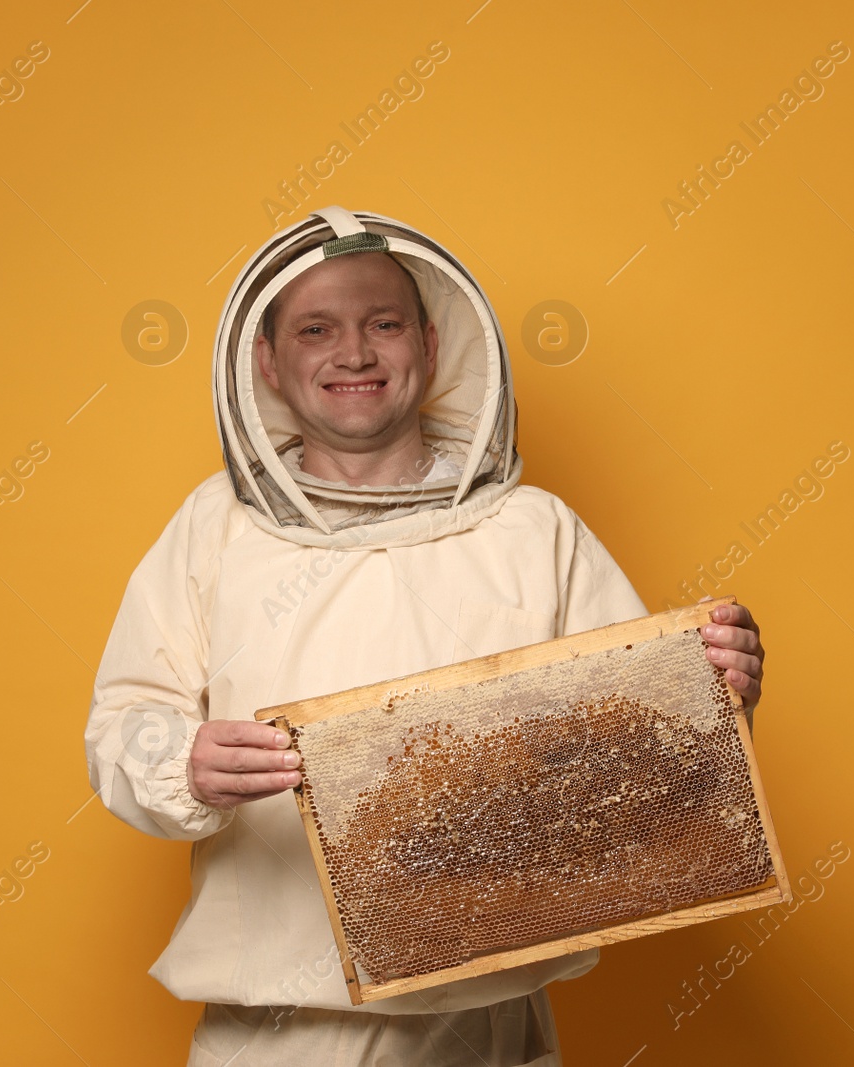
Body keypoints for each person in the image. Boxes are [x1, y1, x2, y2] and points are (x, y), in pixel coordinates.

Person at [84, 206, 765, 1066]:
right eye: (316, 328)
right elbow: (123, 723)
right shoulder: (213, 528)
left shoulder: (536, 530)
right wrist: (180, 762)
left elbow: (642, 757)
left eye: (383, 323)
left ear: (431, 346)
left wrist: (712, 691)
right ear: (268, 362)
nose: (355, 353)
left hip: (485, 1025)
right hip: (278, 1034)